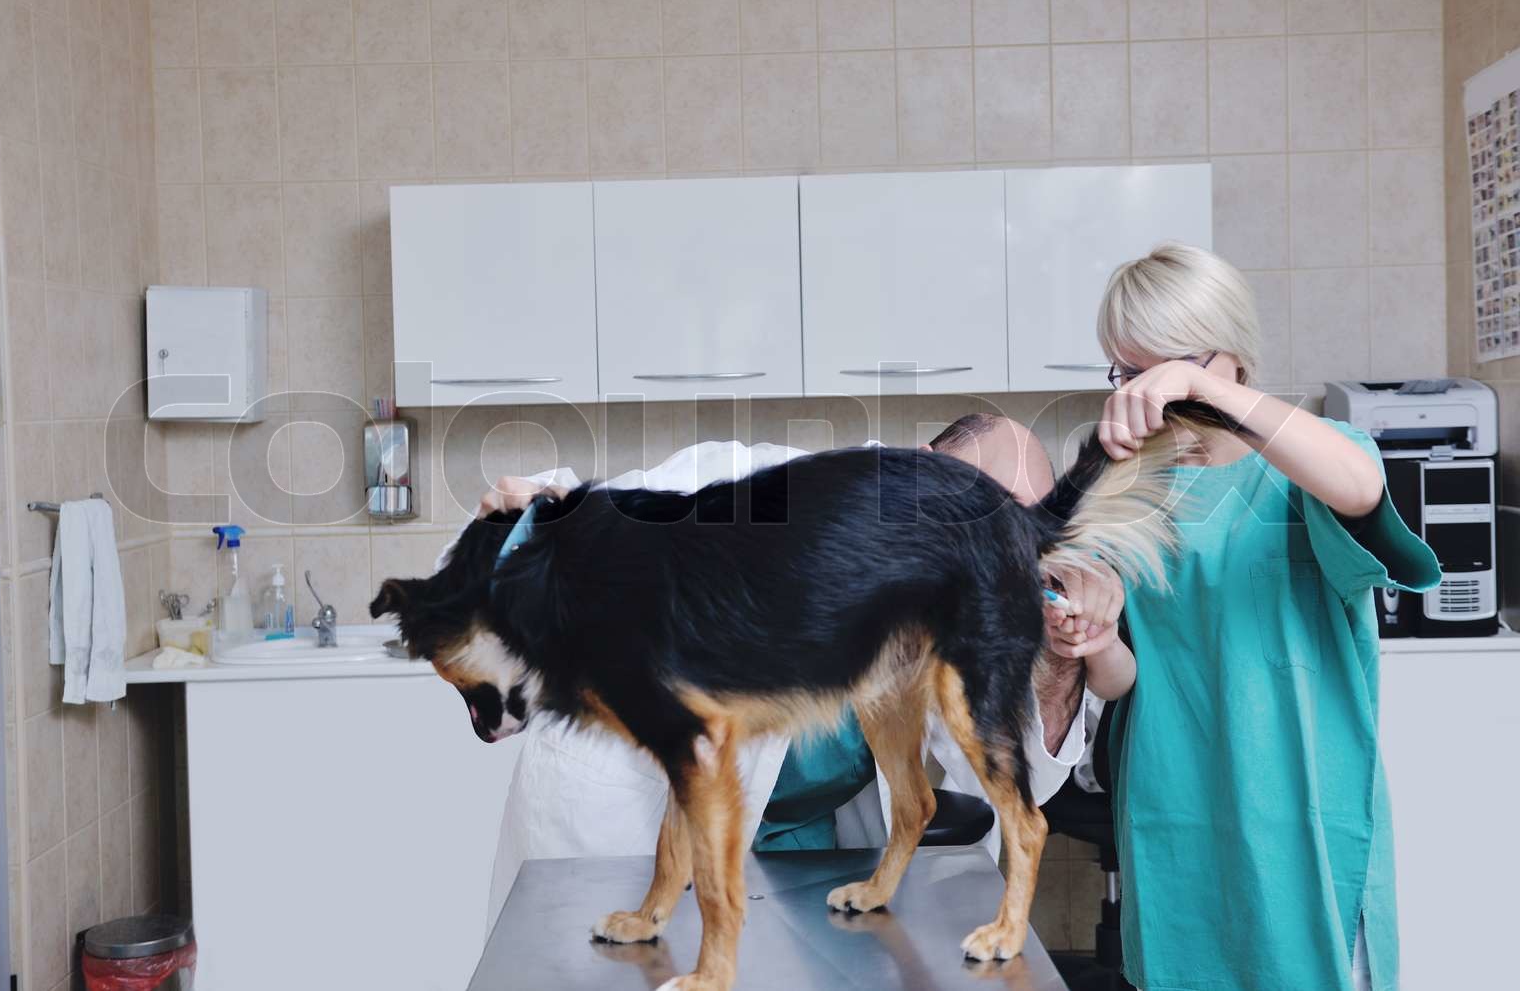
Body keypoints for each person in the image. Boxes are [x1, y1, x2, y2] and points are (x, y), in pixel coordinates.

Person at [462, 416, 1124, 925]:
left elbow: (1014, 772)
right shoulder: (748, 486)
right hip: (615, 826)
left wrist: (1063, 658)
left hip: (804, 861)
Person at [1092, 243, 1440, 991]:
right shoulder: (1129, 494)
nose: (1150, 399)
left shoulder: (1307, 466)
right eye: (1127, 375)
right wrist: (1085, 637)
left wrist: (1199, 388)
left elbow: (1358, 483)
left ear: (1232, 361)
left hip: (1308, 826)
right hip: (1177, 826)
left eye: (1165, 374)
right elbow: (1120, 677)